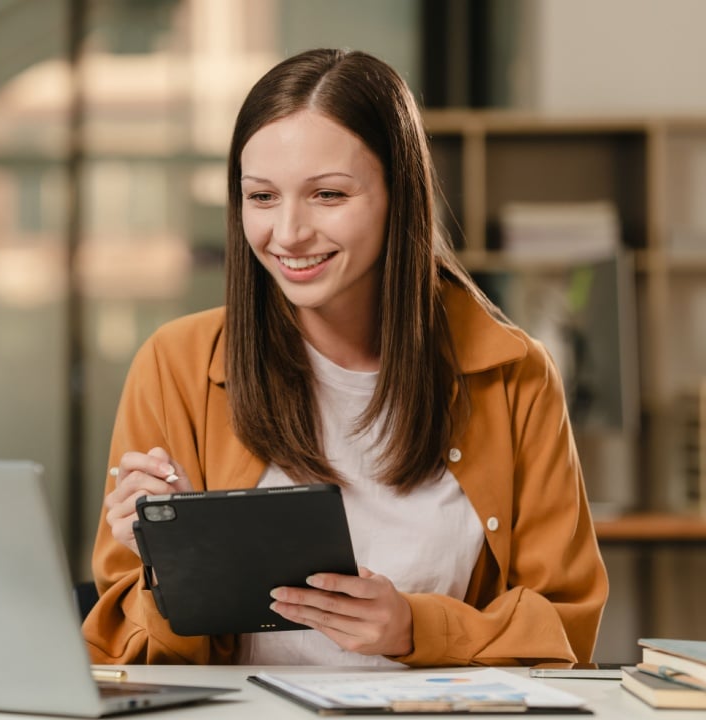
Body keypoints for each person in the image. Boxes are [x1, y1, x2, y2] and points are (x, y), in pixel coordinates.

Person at [82, 48, 608, 667]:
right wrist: (173, 565)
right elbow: (120, 657)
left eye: (328, 194)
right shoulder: (176, 365)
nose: (288, 233)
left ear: (399, 196)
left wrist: (416, 629)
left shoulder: (515, 375)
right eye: (262, 197)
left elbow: (566, 626)